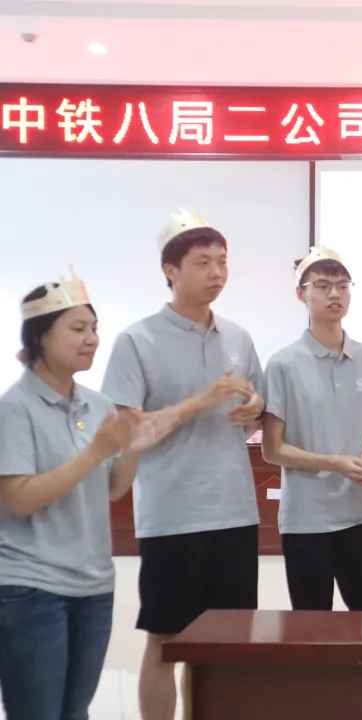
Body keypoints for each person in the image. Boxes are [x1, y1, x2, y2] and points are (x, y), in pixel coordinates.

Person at [101, 210, 265, 720]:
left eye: (223, 261)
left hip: (235, 513)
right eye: (203, 262)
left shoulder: (238, 337)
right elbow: (129, 430)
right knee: (166, 640)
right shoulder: (137, 340)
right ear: (170, 271)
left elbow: (258, 407)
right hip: (172, 516)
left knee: (232, 643)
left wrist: (254, 407)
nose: (217, 272)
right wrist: (201, 401)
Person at [0, 271, 159, 720]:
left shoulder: (98, 405)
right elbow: (19, 500)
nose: (92, 339)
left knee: (75, 713)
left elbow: (114, 488)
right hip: (31, 587)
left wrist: (134, 448)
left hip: (93, 585)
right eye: (77, 328)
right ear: (40, 337)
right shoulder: (14, 409)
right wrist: (96, 452)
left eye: (94, 328)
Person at [262, 246, 362, 611]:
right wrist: (337, 463)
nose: (335, 294)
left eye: (342, 285)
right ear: (301, 294)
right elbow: (272, 449)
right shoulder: (283, 364)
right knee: (312, 625)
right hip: (306, 520)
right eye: (323, 286)